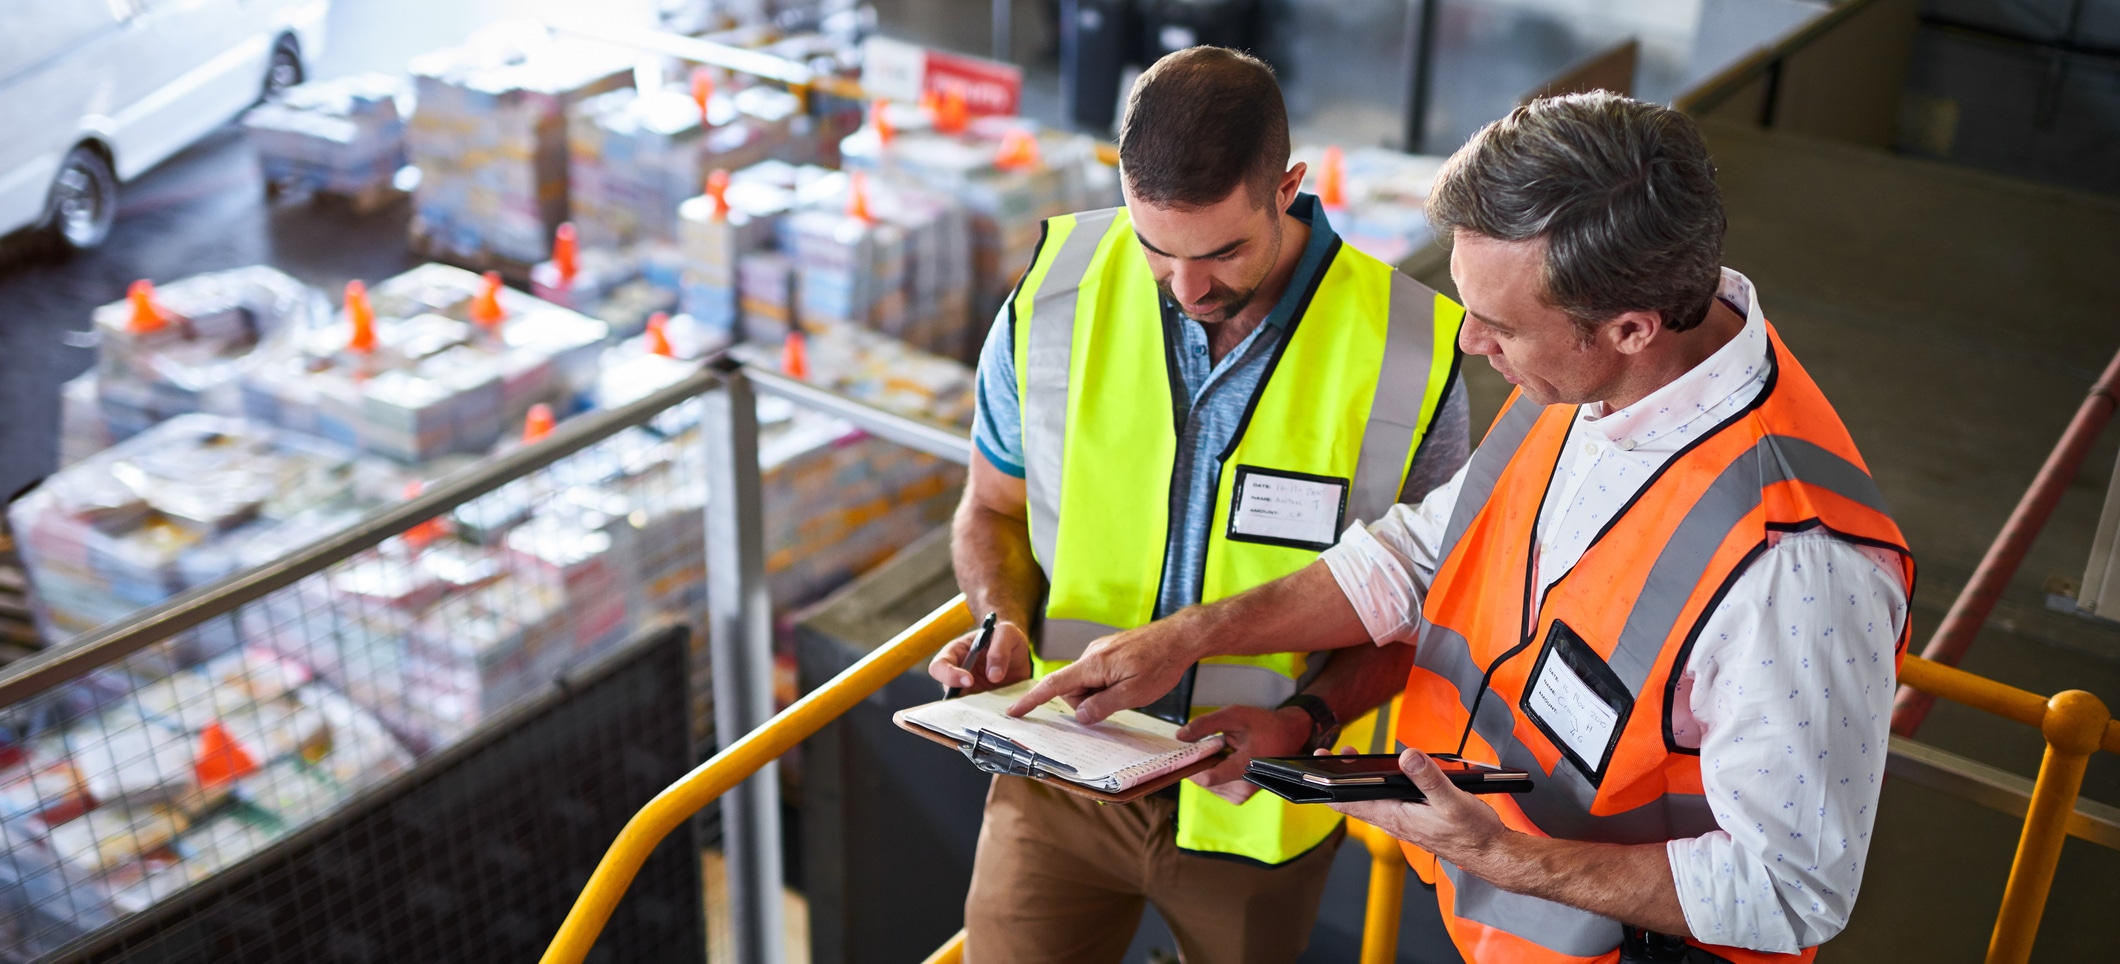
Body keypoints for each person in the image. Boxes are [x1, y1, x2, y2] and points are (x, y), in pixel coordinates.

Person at [1012, 91, 1915, 964]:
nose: (1471, 345)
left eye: (1500, 326)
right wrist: (1192, 637)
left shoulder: (1798, 568)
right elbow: (1415, 555)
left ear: (1632, 328)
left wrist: (1499, 855)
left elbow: (1793, 889)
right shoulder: (1589, 379)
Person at [928, 47, 1473, 964]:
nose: (1187, 288)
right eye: (1157, 248)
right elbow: (991, 509)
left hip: (1254, 811)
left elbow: (1428, 610)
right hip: (1054, 772)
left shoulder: (1412, 351)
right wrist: (1001, 621)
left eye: (1224, 251)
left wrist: (1304, 725)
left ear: (1287, 188)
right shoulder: (1053, 295)